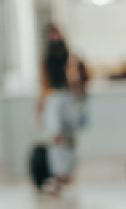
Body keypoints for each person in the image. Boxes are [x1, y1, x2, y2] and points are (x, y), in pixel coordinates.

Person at [39, 47, 81, 195]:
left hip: (67, 136)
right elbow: (54, 117)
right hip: (60, 137)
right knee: (59, 156)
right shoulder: (57, 96)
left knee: (66, 157)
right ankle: (57, 179)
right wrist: (56, 132)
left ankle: (62, 178)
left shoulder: (69, 95)